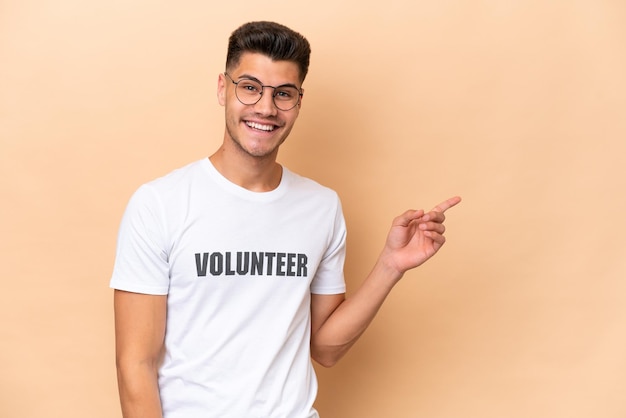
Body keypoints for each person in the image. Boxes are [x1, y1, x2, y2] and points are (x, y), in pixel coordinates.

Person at [111, 21, 461, 418]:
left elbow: (325, 349)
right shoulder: (160, 203)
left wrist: (390, 265)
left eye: (283, 94)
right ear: (224, 88)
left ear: (298, 101)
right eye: (250, 87)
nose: (265, 107)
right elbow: (134, 364)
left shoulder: (321, 207)